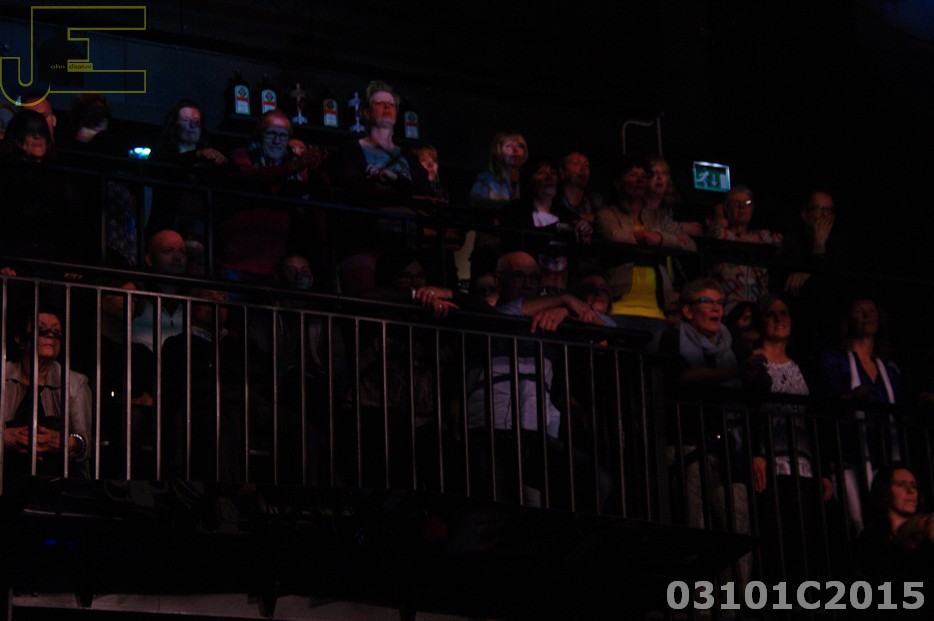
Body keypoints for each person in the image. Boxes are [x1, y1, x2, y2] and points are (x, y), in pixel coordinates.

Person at [464, 251, 614, 507]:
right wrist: (564, 299)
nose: (527, 283)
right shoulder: (488, 315)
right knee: (497, 511)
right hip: (491, 430)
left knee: (598, 483)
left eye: (533, 277)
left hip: (537, 435)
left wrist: (564, 312)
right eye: (518, 276)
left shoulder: (549, 320)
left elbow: (611, 328)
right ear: (499, 281)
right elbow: (509, 314)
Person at [659, 278, 768, 595]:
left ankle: (733, 603)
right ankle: (699, 604)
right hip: (689, 442)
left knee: (738, 525)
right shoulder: (673, 338)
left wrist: (755, 372)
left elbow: (757, 389)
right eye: (708, 302)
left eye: (720, 302)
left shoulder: (734, 344)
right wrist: (736, 372)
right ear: (688, 311)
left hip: (730, 446)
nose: (716, 308)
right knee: (696, 524)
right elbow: (681, 376)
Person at [749, 294, 830, 584]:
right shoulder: (753, 361)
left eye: (784, 313)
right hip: (771, 461)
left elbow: (814, 418)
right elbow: (749, 411)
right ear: (761, 321)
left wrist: (822, 468)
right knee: (774, 537)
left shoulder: (802, 365)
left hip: (803, 464)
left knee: (803, 540)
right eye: (771, 314)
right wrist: (755, 452)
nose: (779, 318)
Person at [819, 296, 904, 533]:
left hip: (885, 454)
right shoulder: (835, 360)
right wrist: (852, 397)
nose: (867, 315)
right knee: (858, 523)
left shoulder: (889, 368)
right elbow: (828, 400)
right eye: (859, 311)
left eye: (872, 311)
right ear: (848, 319)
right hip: (849, 455)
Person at [595, 156, 696, 351]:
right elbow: (613, 235)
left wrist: (659, 239)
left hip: (657, 311)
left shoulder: (660, 218)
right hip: (617, 307)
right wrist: (649, 241)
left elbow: (690, 245)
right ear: (618, 182)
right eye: (633, 175)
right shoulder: (608, 213)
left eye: (643, 176)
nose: (640, 180)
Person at [2, 309, 92, 479]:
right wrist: (3, 439)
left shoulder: (75, 383)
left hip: (58, 482)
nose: (50, 335)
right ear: (20, 339)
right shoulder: (2, 376)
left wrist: (68, 443)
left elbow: (85, 444)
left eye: (56, 331)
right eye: (41, 329)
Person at [500, 157, 592, 293]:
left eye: (553, 173)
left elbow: (584, 250)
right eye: (541, 173)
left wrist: (584, 228)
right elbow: (518, 241)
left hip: (563, 289)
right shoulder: (515, 211)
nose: (549, 177)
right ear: (529, 180)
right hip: (527, 291)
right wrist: (557, 229)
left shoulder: (567, 215)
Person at [147, 98, 231, 240]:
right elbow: (163, 166)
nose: (193, 125)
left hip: (201, 229)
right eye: (186, 120)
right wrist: (196, 155)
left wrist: (224, 161)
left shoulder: (209, 159)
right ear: (174, 125)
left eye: (197, 121)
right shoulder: (163, 153)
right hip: (168, 225)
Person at [856, 465, 934, 617]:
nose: (911, 491)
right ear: (885, 493)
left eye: (914, 486)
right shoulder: (871, 539)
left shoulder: (927, 528)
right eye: (901, 485)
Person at [337, 80, 431, 199]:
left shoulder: (410, 157)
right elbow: (351, 190)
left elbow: (425, 193)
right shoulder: (351, 150)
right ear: (367, 113)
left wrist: (395, 178)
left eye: (391, 104)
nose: (387, 107)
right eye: (379, 103)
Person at [706, 185, 783, 311]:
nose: (742, 207)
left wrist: (741, 237)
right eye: (736, 203)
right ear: (727, 209)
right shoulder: (718, 234)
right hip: (726, 307)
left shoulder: (762, 235)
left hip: (759, 307)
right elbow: (716, 233)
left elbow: (778, 240)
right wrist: (746, 238)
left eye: (747, 203)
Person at [131, 229, 188, 352]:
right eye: (168, 250)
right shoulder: (136, 299)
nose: (178, 257)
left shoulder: (191, 302)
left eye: (183, 252)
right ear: (149, 259)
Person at [645, 155, 703, 237]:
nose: (659, 177)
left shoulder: (675, 207)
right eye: (654, 173)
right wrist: (680, 227)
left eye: (663, 173)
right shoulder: (637, 206)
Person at [557, 151, 603, 224]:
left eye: (586, 165)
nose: (583, 168)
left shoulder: (595, 201)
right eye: (576, 163)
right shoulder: (553, 200)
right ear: (562, 172)